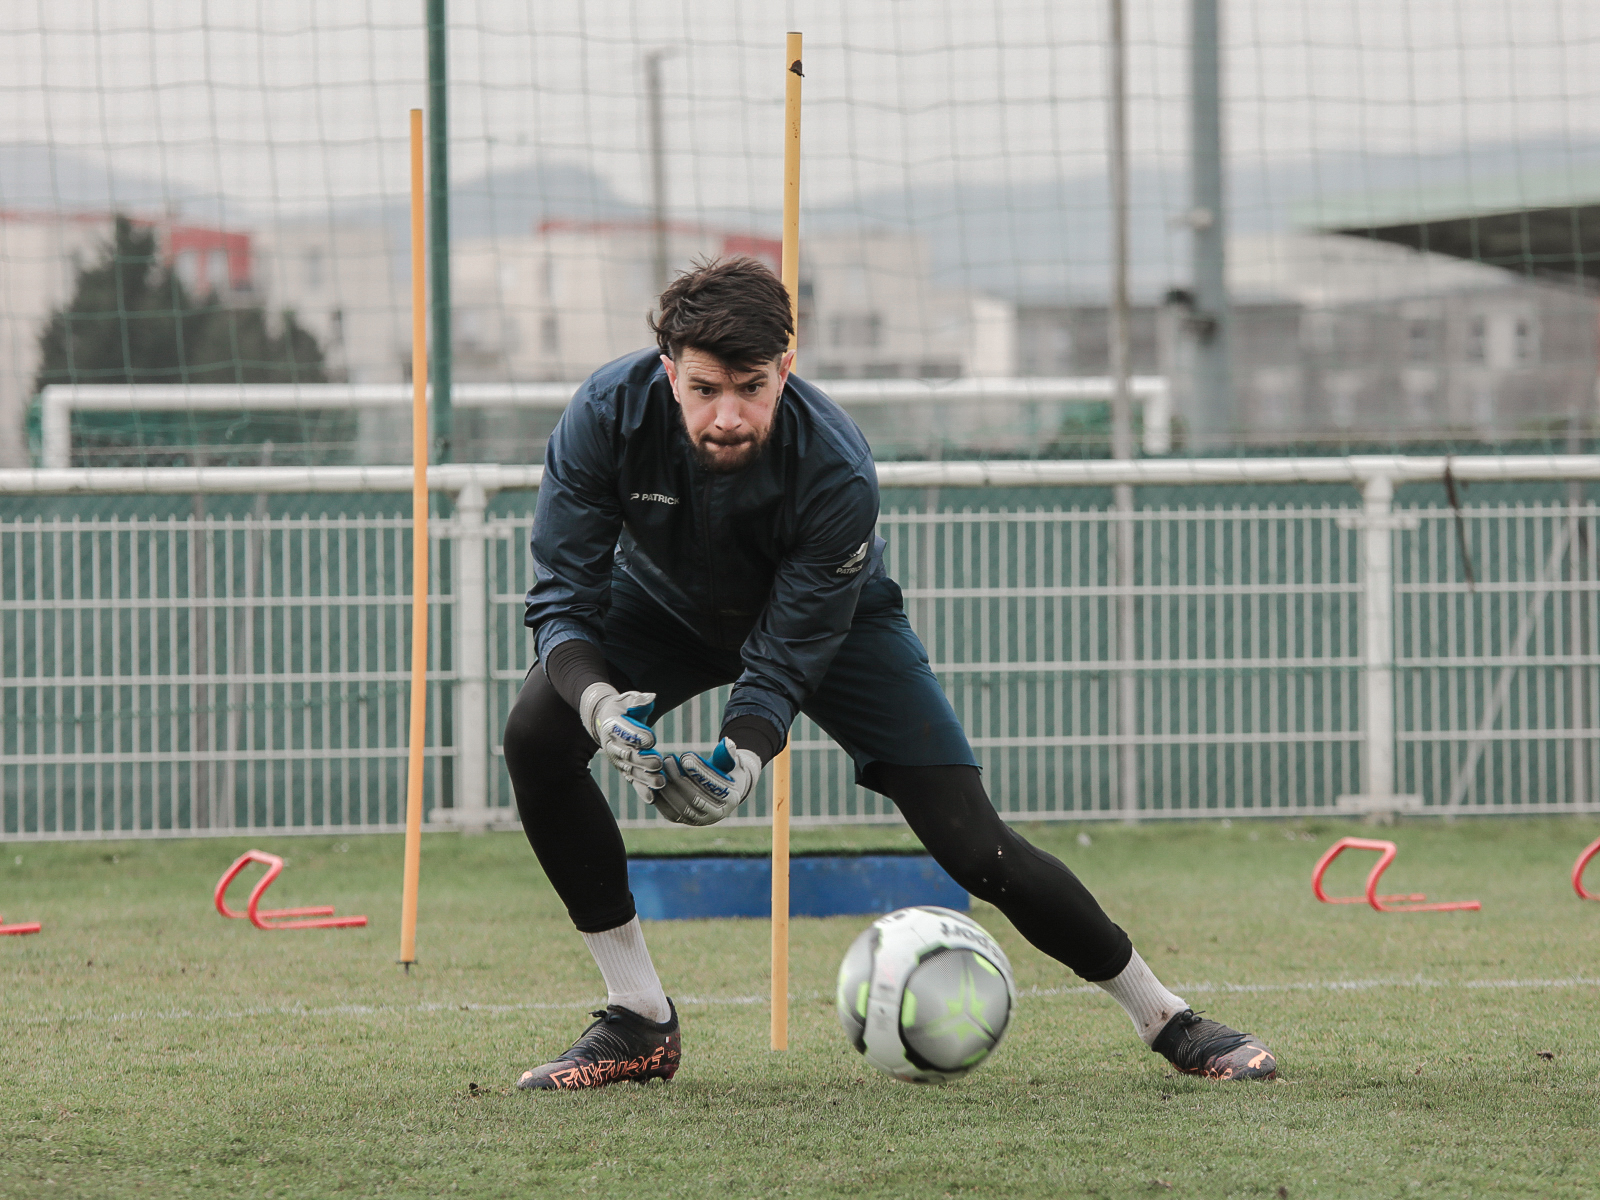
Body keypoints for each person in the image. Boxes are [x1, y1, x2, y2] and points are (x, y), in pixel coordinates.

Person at [502, 257, 1277, 1091]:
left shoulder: (836, 466)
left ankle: (1167, 1017)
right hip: (660, 609)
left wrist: (742, 757)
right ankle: (638, 1020)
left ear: (785, 372)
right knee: (537, 736)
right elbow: (564, 595)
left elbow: (791, 646)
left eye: (751, 388)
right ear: (668, 373)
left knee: (976, 847)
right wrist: (598, 703)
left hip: (838, 624)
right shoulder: (601, 414)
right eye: (703, 390)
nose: (727, 416)